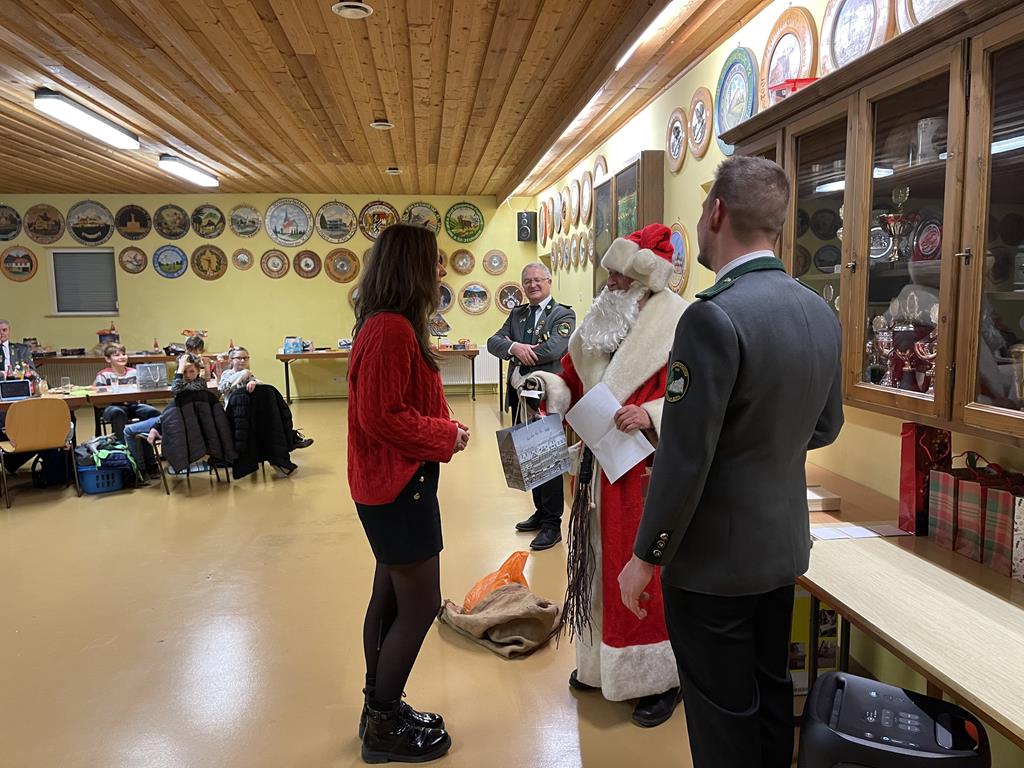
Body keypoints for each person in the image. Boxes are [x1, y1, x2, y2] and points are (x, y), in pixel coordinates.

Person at [618, 156, 844, 768]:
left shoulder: (712, 314)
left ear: (716, 212)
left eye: (701, 207)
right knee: (770, 696)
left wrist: (645, 556)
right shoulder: (818, 310)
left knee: (721, 719)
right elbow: (826, 426)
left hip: (712, 563)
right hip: (781, 549)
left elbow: (686, 457)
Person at [524, 223, 689, 727]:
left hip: (647, 473)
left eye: (620, 277)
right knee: (595, 565)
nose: (610, 284)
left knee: (643, 572)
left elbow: (700, 396)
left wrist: (653, 414)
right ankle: (601, 663)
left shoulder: (682, 323)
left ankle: (659, 679)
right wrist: (546, 388)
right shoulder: (598, 326)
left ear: (645, 283)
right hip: (599, 471)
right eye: (610, 276)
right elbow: (571, 383)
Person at [347, 223, 468, 764]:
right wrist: (445, 435)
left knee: (391, 598)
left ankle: (380, 708)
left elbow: (396, 404)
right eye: (434, 262)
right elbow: (383, 416)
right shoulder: (392, 329)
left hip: (389, 483)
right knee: (419, 606)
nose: (441, 272)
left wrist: (442, 427)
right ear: (412, 268)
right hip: (398, 486)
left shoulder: (386, 324)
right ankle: (383, 724)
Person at [486, 263, 575, 550]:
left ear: (549, 281)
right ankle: (540, 512)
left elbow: (555, 349)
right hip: (521, 397)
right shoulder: (517, 314)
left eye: (538, 280)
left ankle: (552, 525)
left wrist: (518, 350)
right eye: (527, 281)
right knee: (529, 457)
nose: (533, 285)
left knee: (548, 461)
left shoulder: (563, 314)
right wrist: (515, 347)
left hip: (546, 399)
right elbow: (493, 342)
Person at [123, 357, 208, 478]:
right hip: (174, 420)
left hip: (178, 425)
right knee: (152, 415)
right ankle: (151, 465)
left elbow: (175, 390)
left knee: (128, 431)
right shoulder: (192, 384)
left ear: (198, 371)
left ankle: (140, 471)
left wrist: (180, 369)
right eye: (184, 372)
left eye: (191, 371)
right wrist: (156, 427)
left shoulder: (198, 385)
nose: (188, 375)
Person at [94, 343, 161, 443]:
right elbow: (100, 397)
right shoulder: (103, 375)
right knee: (118, 413)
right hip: (111, 407)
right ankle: (120, 445)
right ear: (108, 359)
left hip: (132, 405)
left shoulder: (134, 372)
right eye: (117, 355)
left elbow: (143, 389)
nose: (122, 357)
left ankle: (146, 441)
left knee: (153, 412)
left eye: (123, 354)